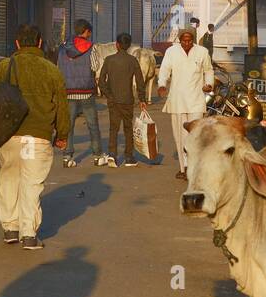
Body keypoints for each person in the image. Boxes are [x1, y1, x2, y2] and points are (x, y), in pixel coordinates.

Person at [0, 24, 69, 250]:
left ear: (17, 43)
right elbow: (62, 105)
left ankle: (10, 228)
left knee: (8, 178)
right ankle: (29, 235)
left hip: (8, 137)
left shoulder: (4, 66)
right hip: (37, 138)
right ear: (40, 43)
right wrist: (62, 134)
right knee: (32, 184)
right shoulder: (52, 70)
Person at [157, 27, 213, 180]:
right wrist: (162, 84)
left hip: (196, 99)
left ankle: (194, 168)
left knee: (195, 135)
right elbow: (164, 70)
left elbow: (208, 70)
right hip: (177, 100)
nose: (186, 43)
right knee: (180, 136)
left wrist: (209, 84)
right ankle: (184, 168)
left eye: (189, 40)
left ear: (193, 40)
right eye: (184, 40)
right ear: (179, 40)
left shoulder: (202, 52)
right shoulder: (171, 52)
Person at [57, 19, 110, 168]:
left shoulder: (62, 48)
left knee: (69, 126)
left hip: (68, 92)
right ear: (86, 31)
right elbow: (95, 66)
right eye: (89, 32)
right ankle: (98, 155)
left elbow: (58, 67)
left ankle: (67, 157)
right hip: (86, 92)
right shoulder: (90, 47)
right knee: (93, 125)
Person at [97, 32, 148, 168]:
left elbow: (101, 81)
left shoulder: (109, 60)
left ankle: (112, 155)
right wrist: (142, 98)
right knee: (128, 128)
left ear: (117, 45)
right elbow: (140, 81)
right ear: (129, 46)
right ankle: (129, 157)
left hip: (113, 100)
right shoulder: (132, 61)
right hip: (127, 100)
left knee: (113, 129)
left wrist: (109, 95)